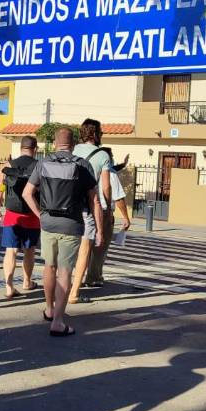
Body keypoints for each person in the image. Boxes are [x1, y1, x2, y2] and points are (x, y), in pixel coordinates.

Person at [22, 128, 102, 336]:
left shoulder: (43, 163)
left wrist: (40, 215)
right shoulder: (82, 165)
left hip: (48, 223)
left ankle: (49, 309)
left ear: (55, 143)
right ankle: (58, 321)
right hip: (71, 224)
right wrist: (99, 229)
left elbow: (27, 193)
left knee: (49, 267)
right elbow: (94, 200)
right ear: (73, 144)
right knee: (65, 271)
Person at [68, 146, 130, 304]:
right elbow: (118, 197)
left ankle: (76, 279)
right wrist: (125, 217)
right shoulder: (111, 175)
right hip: (102, 211)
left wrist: (123, 165)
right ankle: (94, 277)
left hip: (84, 210)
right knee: (100, 247)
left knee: (82, 247)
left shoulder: (88, 169)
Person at [0, 136, 40, 299]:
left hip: (12, 214)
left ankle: (9, 287)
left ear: (21, 148)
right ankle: (27, 281)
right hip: (32, 214)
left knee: (10, 251)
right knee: (29, 251)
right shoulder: (39, 166)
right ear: (35, 149)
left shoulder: (8, 166)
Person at [72, 118, 112, 289]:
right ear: (95, 134)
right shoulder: (103, 155)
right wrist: (108, 208)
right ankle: (77, 284)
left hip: (69, 204)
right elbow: (106, 186)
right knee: (86, 245)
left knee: (71, 245)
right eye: (100, 132)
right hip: (89, 205)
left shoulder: (72, 150)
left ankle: (67, 278)